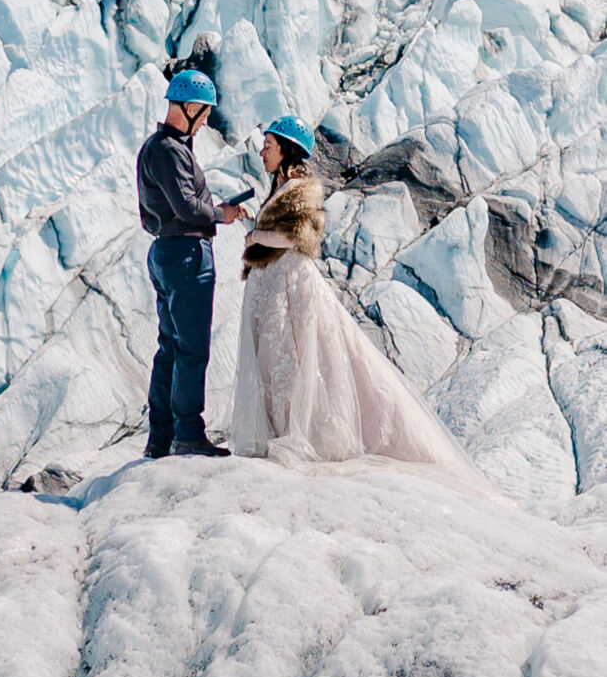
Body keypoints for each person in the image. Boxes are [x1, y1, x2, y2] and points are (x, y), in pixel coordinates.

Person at [229, 115, 485, 487]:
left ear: (287, 149)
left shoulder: (302, 188)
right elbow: (276, 234)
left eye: (269, 144)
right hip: (274, 287)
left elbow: (297, 239)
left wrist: (256, 236)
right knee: (278, 357)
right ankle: (281, 428)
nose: (263, 151)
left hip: (291, 289)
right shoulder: (282, 187)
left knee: (291, 358)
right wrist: (254, 227)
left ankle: (294, 431)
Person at [137, 69, 246, 459]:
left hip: (168, 253)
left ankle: (160, 438)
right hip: (185, 256)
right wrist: (221, 214)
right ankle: (187, 434)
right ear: (190, 105)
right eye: (203, 113)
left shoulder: (160, 147)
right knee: (191, 349)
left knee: (170, 346)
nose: (205, 122)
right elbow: (186, 205)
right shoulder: (169, 149)